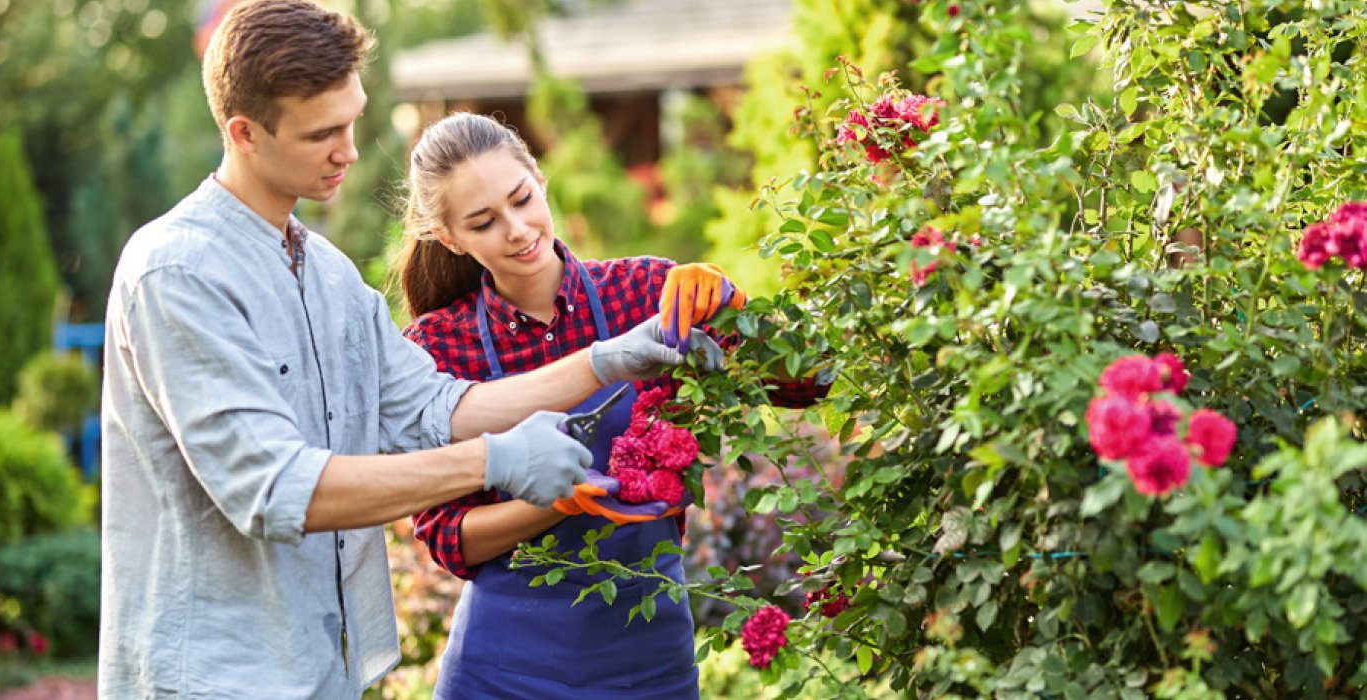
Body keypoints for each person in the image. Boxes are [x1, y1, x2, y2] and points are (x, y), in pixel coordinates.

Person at [97, 3, 722, 698]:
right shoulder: (179, 271)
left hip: (320, 667)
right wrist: (496, 461)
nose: (351, 150)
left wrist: (604, 360)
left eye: (353, 120)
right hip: (213, 675)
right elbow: (273, 487)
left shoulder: (328, 275)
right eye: (322, 133)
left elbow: (438, 406)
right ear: (244, 133)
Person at [396, 112, 827, 699]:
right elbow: (448, 538)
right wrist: (553, 505)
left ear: (539, 179)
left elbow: (811, 380)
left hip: (649, 662)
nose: (518, 229)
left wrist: (736, 309)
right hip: (502, 672)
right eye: (484, 222)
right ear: (450, 238)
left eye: (522, 199)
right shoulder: (439, 349)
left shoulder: (646, 293)